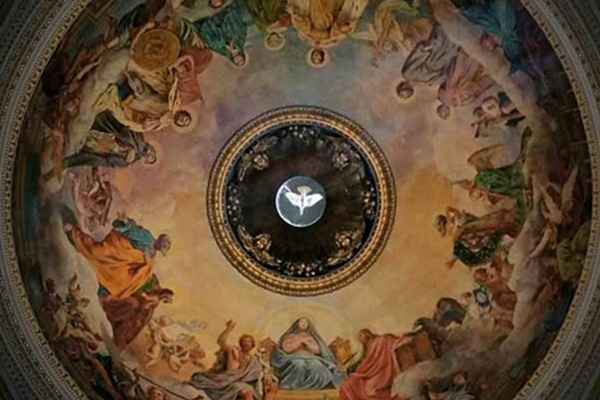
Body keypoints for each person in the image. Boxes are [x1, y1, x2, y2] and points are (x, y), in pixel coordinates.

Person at [187, 320, 262, 400]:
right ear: (241, 343)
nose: (247, 343)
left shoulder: (254, 360)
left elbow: (256, 375)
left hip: (241, 382)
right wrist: (228, 328)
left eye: (249, 342)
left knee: (248, 393)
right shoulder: (234, 350)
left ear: (252, 345)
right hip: (227, 379)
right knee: (246, 392)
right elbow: (221, 341)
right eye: (245, 341)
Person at [63, 111, 157, 169]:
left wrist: (124, 156)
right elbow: (126, 131)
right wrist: (129, 147)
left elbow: (112, 160)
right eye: (152, 154)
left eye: (149, 159)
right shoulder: (140, 138)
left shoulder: (132, 160)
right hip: (111, 135)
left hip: (106, 146)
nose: (149, 155)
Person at [271, 317, 345, 390]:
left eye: (305, 322)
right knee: (299, 364)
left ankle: (312, 387)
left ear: (308, 324)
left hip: (311, 358)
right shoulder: (291, 336)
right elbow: (286, 348)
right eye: (301, 322)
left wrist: (308, 345)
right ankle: (293, 386)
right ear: (297, 324)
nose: (303, 324)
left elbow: (318, 350)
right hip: (294, 357)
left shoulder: (311, 337)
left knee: (317, 365)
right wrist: (297, 345)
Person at [452, 0, 525, 73]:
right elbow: (476, 15)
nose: (481, 42)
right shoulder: (498, 31)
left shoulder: (504, 38)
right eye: (485, 46)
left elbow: (475, 15)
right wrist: (463, 9)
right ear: (491, 47)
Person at [434, 206, 520, 269]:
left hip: (484, 240)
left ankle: (510, 221)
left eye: (446, 226)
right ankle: (509, 223)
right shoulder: (458, 235)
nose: (448, 230)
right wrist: (452, 261)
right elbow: (458, 251)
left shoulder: (459, 228)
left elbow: (451, 210)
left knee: (491, 222)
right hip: (483, 248)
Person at [340, 329, 410, 400]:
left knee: (371, 389)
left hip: (380, 373)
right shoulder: (366, 347)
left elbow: (375, 361)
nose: (362, 341)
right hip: (368, 373)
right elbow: (364, 360)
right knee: (350, 383)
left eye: (362, 337)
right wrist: (354, 370)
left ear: (367, 335)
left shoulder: (381, 341)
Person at [194, 1, 248, 66]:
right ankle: (225, 13)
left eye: (237, 62)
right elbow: (242, 29)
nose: (238, 59)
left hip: (216, 29)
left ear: (233, 61)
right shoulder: (241, 41)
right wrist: (233, 41)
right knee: (235, 32)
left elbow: (213, 46)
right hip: (228, 25)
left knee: (217, 43)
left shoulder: (225, 52)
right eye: (240, 60)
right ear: (242, 56)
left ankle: (207, 23)